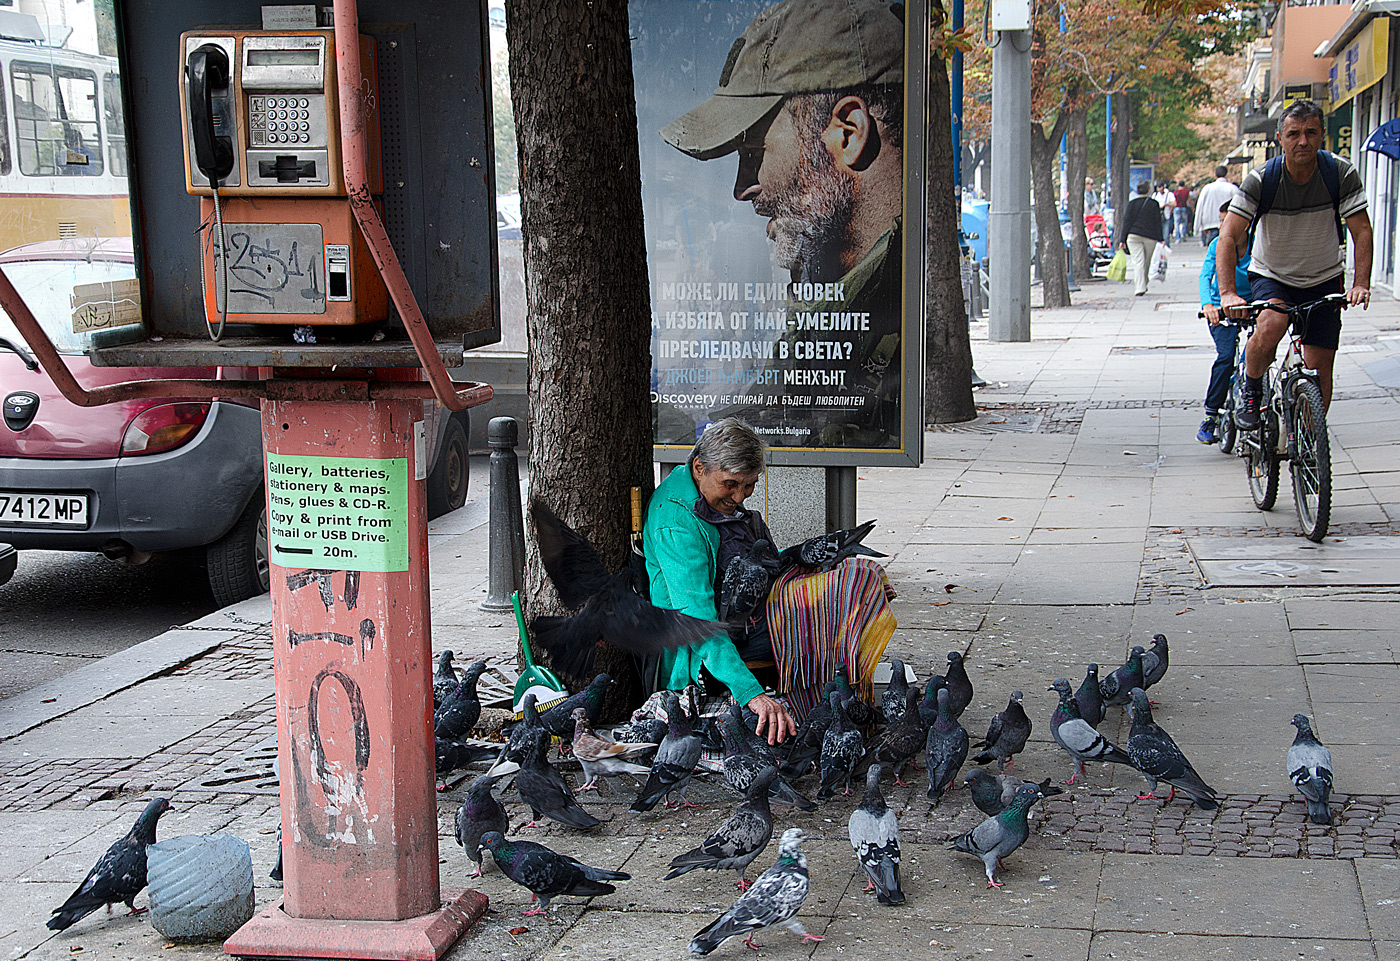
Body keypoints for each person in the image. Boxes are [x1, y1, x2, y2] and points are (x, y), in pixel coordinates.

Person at [659, 0, 905, 448]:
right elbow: (768, 408)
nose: (742, 188)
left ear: (848, 133)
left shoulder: (895, 293)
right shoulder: (830, 278)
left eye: (755, 153)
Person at [643, 418, 896, 743]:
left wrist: (804, 558)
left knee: (863, 576)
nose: (739, 496)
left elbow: (761, 561)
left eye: (748, 486)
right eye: (731, 484)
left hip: (753, 612)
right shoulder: (676, 521)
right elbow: (697, 623)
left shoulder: (710, 493)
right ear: (699, 467)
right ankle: (822, 706)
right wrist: (752, 694)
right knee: (841, 601)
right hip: (710, 645)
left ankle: (839, 702)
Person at [1220, 99, 1372, 429]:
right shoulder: (1262, 180)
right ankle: (1252, 385)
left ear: (1322, 135)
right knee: (1272, 324)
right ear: (1280, 137)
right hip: (1273, 274)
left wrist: (1361, 283)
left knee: (1320, 367)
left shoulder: (1340, 173)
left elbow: (1361, 230)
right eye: (1294, 134)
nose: (1302, 141)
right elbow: (1229, 237)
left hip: (1324, 276)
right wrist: (1228, 293)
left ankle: (1307, 440)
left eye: (1310, 133)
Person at [1197, 196, 1252, 445]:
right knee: (1226, 357)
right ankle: (1211, 416)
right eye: (1221, 222)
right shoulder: (1217, 244)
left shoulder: (1257, 245)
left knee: (1256, 356)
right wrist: (1208, 305)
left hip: (1253, 307)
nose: (1223, 227)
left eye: (1228, 221)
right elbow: (1205, 276)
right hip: (1222, 309)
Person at [1118, 180, 1162, 296]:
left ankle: (1140, 286)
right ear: (1149, 190)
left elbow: (1126, 221)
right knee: (1146, 262)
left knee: (1138, 262)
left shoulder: (1132, 204)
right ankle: (1143, 284)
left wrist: (1122, 239)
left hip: (1133, 236)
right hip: (1150, 237)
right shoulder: (1154, 204)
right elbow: (1158, 222)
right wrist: (1161, 238)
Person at [1194, 165, 1235, 247]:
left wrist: (1197, 227)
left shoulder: (1207, 188)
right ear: (1226, 174)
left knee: (1212, 248)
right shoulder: (1232, 188)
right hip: (1227, 222)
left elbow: (1200, 207)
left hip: (1210, 223)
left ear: (1215, 175)